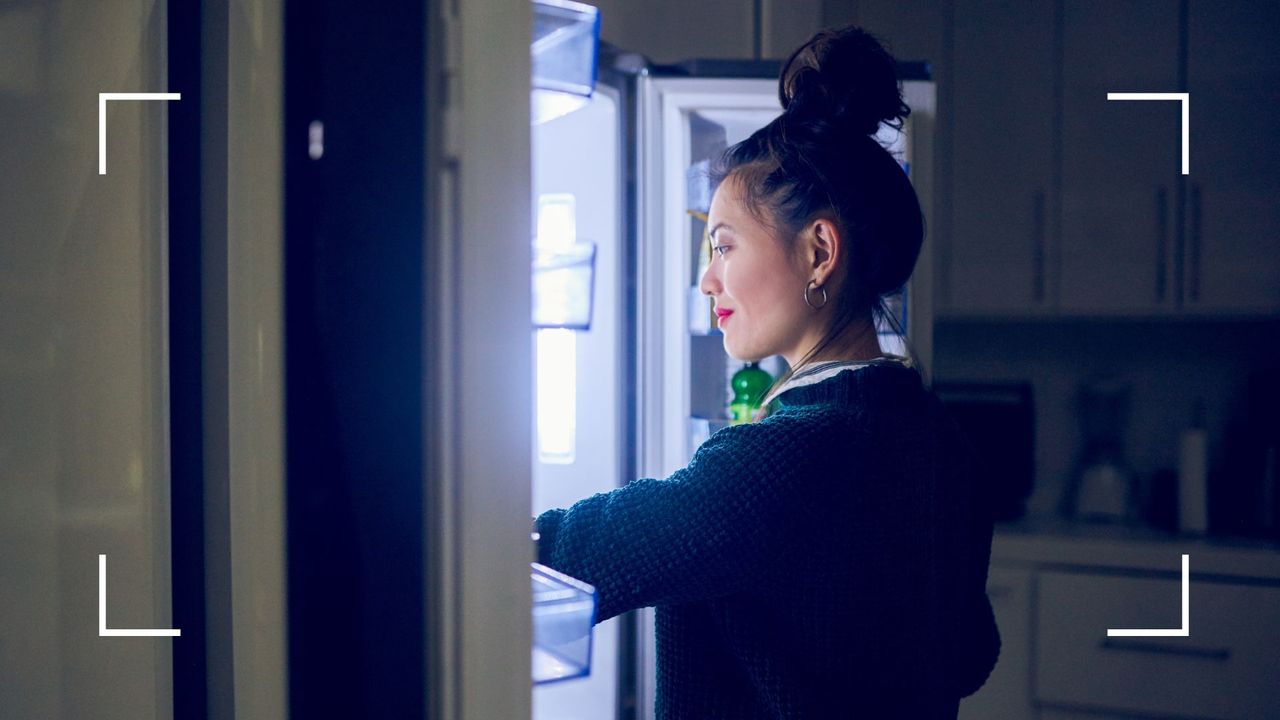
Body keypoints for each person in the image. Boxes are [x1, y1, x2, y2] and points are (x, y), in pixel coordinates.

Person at [533, 25, 1000, 719]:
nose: (707, 282)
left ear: (818, 252)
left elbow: (575, 555)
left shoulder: (775, 463)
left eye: (723, 246)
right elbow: (971, 654)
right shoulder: (939, 438)